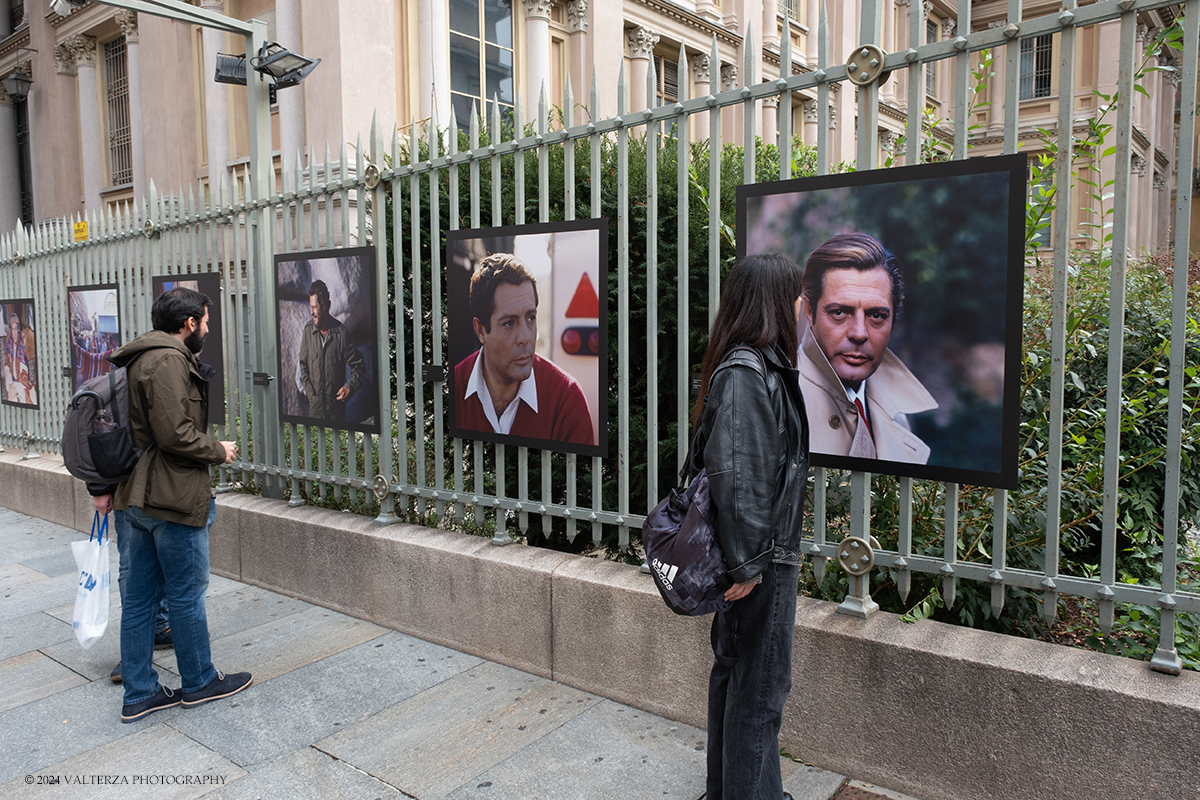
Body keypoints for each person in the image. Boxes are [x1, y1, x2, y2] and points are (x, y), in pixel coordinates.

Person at [96, 287, 250, 723]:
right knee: (185, 594)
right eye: (204, 320)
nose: (206, 327)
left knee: (141, 599)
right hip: (168, 497)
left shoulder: (142, 355)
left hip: (137, 495)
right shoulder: (167, 360)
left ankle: (140, 693)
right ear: (188, 324)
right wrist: (218, 449)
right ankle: (199, 681)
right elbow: (174, 433)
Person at [692, 254, 810, 800]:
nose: (803, 308)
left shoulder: (756, 365)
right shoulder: (747, 371)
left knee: (741, 679)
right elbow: (737, 473)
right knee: (758, 689)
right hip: (759, 560)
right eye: (799, 297)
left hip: (757, 556)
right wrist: (747, 564)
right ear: (777, 302)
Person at [798, 232, 937, 464]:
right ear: (810, 312)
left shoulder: (899, 418)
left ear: (893, 320)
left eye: (876, 315)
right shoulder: (775, 402)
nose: (859, 333)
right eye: (839, 312)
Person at [452, 253, 594, 446]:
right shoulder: (453, 387)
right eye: (509, 323)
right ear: (481, 331)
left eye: (530, 318)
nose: (526, 337)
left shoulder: (566, 399)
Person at [298, 279, 365, 423]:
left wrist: (350, 388)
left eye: (314, 307)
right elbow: (303, 367)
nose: (311, 312)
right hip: (315, 412)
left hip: (336, 414)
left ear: (324, 306)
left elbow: (359, 366)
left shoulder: (341, 333)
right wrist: (311, 395)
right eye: (310, 307)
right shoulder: (308, 331)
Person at [3, 312, 35, 405]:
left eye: (16, 328)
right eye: (12, 329)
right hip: (12, 386)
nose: (14, 332)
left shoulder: (23, 348)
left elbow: (26, 379)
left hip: (23, 388)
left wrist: (16, 388)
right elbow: (7, 371)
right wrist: (11, 386)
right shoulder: (9, 349)